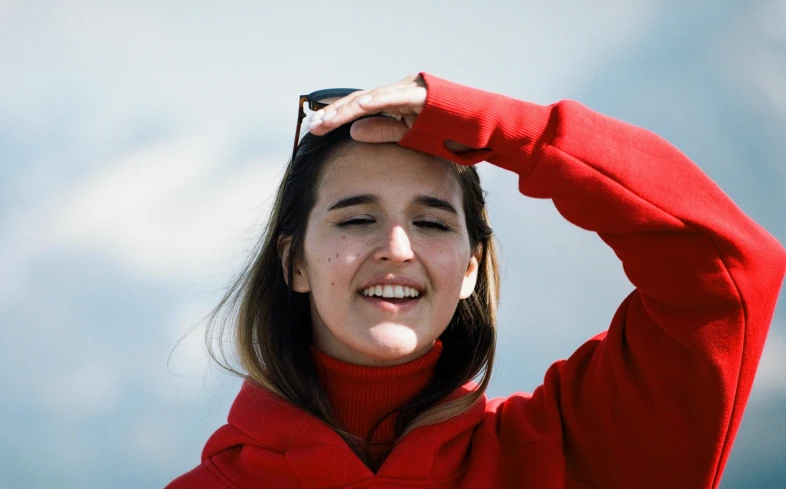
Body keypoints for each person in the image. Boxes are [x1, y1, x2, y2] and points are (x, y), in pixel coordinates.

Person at [165, 74, 786, 488]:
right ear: (293, 263)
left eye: (432, 223)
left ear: (468, 269)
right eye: (358, 218)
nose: (397, 248)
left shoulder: (572, 453)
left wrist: (510, 131)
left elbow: (725, 266)